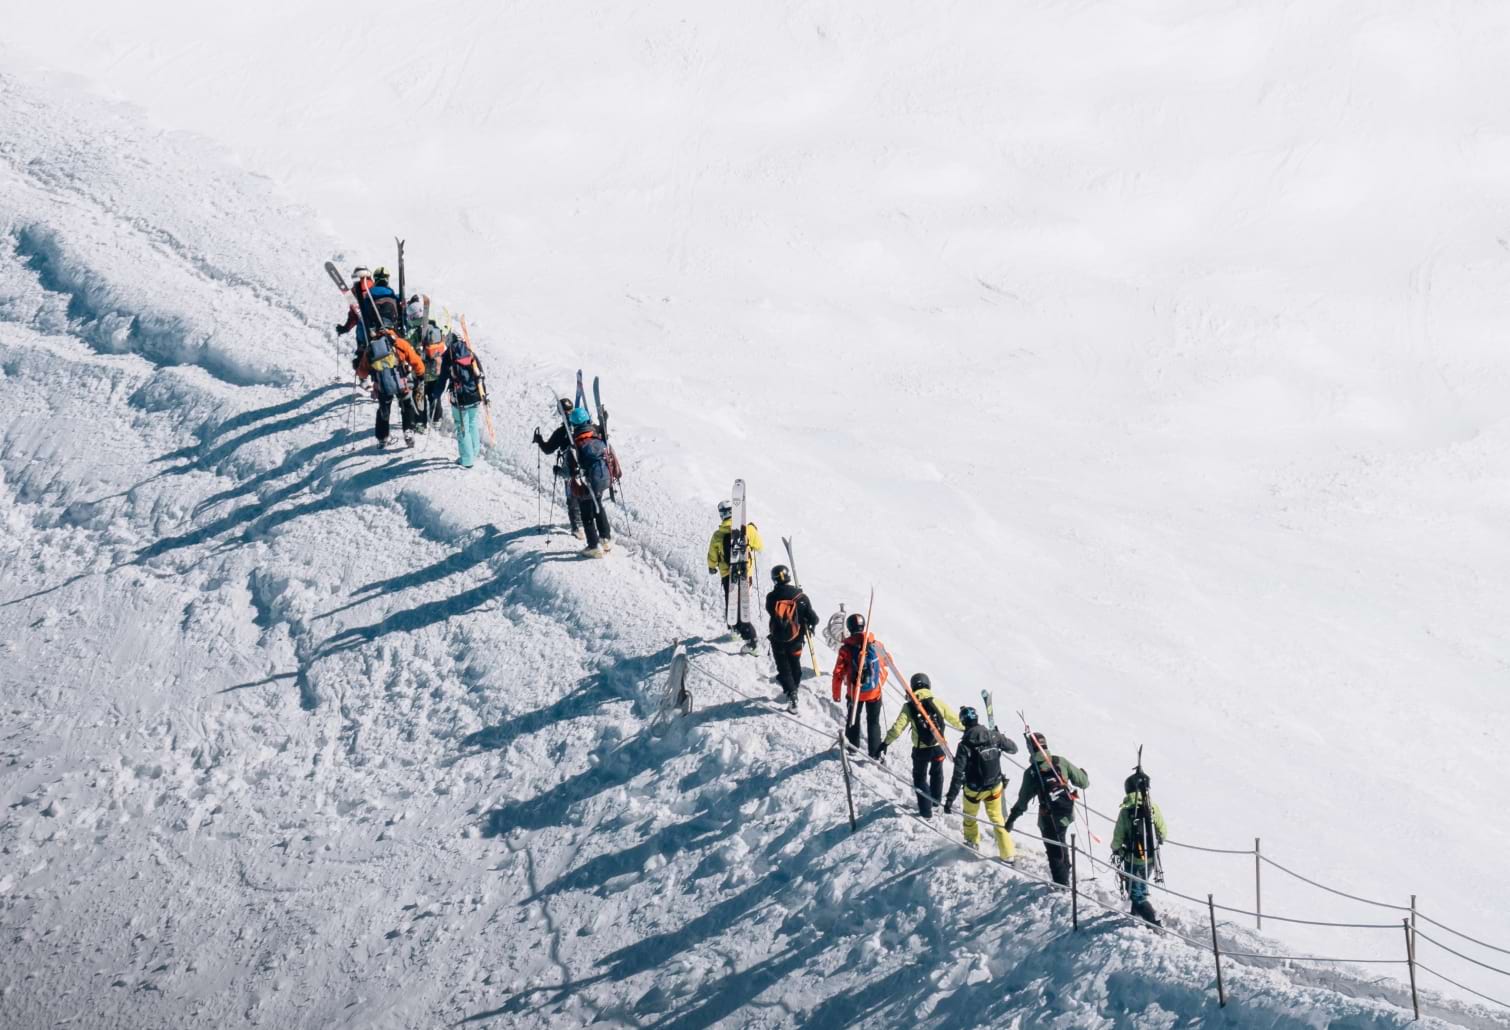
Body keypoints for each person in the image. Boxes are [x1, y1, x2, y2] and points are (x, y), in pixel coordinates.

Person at [1006, 731, 1089, 887]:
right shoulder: (1060, 762)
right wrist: (1083, 774)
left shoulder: (1032, 772)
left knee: (1054, 851)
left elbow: (1022, 802)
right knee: (1062, 842)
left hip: (1047, 818)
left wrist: (1011, 820)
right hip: (1066, 813)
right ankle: (1066, 877)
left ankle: (1061, 885)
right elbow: (1084, 783)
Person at [880, 673, 964, 818]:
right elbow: (956, 721)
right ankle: (936, 804)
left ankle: (926, 812)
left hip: (921, 751)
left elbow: (897, 728)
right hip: (939, 747)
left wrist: (885, 742)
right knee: (937, 774)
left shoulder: (910, 706)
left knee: (920, 778)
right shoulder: (938, 703)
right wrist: (974, 728)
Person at [534, 405, 613, 556]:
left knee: (587, 512)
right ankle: (606, 539)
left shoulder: (574, 442)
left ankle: (593, 546)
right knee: (598, 507)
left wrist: (558, 470)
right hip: (601, 478)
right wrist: (604, 421)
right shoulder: (594, 432)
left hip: (584, 482)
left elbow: (567, 471)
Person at [942, 706, 1018, 859]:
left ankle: (972, 841)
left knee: (970, 816)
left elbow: (958, 774)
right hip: (995, 786)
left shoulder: (965, 745)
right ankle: (1008, 854)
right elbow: (1013, 749)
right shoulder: (993, 736)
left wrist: (950, 799)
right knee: (997, 819)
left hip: (974, 789)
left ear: (963, 722)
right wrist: (999, 735)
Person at [354, 323, 426, 449]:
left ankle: (382, 438)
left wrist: (357, 366)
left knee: (383, 409)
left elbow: (362, 372)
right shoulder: (399, 343)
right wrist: (420, 374)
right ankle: (408, 432)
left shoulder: (371, 347)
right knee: (406, 405)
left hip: (382, 386)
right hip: (401, 382)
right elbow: (415, 360)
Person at [706, 500, 764, 652]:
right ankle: (748, 637)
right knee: (742, 605)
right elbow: (760, 546)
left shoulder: (718, 535)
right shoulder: (747, 530)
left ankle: (737, 632)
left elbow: (712, 555)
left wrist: (712, 567)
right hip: (745, 575)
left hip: (728, 575)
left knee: (732, 604)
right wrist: (752, 531)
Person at [1112, 769, 1167, 925]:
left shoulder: (1126, 811)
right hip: (1151, 857)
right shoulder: (1153, 808)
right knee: (1140, 886)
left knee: (1136, 893)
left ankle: (1153, 922)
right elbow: (1163, 832)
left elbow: (1118, 836)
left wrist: (1115, 849)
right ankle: (1136, 915)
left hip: (1133, 857)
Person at [830, 613, 888, 757]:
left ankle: (851, 748)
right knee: (873, 722)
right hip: (874, 692)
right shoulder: (876, 644)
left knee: (853, 719)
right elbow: (887, 663)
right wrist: (879, 683)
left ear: (849, 628)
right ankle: (875, 753)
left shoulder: (846, 649)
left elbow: (838, 673)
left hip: (854, 693)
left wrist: (836, 694)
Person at [764, 565, 818, 710]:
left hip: (778, 640)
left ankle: (791, 693)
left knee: (784, 668)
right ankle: (793, 689)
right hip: (796, 640)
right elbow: (814, 618)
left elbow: (771, 611)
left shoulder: (771, 597)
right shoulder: (801, 597)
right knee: (795, 666)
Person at [533, 399, 585, 539]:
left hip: (569, 470)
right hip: (586, 469)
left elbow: (548, 449)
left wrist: (539, 440)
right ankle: (587, 523)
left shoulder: (561, 432)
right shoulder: (584, 426)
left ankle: (577, 526)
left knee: (572, 497)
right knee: (585, 495)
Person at [445, 327, 488, 468]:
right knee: (472, 424)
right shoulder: (470, 353)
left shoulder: (449, 355)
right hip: (475, 395)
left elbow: (441, 379)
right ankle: (474, 452)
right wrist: (484, 395)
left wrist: (434, 395)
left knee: (462, 427)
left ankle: (467, 459)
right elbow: (480, 375)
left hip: (460, 398)